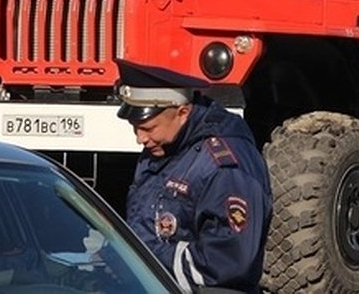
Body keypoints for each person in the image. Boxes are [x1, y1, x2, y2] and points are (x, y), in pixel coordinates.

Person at [115, 59, 272, 294]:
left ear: (182, 112)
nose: (140, 138)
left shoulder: (225, 167)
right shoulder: (166, 147)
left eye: (148, 128)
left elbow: (227, 262)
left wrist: (141, 262)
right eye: (134, 127)